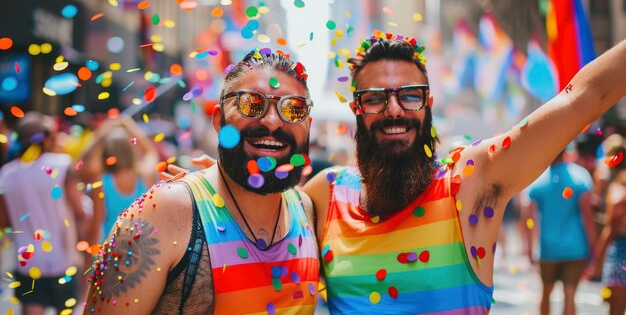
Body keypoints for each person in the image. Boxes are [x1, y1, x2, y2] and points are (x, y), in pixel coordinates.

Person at [167, 33, 626, 314]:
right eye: (375, 98)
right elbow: (264, 213)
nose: (392, 110)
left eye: (409, 96)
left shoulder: (470, 181)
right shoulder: (326, 196)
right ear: (357, 109)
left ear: (427, 105)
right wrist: (216, 184)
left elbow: (579, 98)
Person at [84, 49, 319, 314]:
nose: (273, 121)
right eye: (251, 103)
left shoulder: (307, 211)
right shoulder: (162, 213)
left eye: (294, 109)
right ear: (218, 119)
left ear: (308, 125)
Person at [0, 111, 88, 314]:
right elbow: (81, 212)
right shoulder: (63, 165)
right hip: (64, 260)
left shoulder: (6, 174)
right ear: (47, 137)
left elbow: (3, 222)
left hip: (28, 261)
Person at [521, 150, 596, 315]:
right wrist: (593, 248)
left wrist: (528, 248)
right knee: (570, 295)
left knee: (546, 292)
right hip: (576, 247)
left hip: (547, 248)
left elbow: (528, 219)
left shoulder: (537, 180)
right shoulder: (580, 176)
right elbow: (587, 216)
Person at [77, 116, 158, 244]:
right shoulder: (145, 176)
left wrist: (103, 132)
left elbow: (97, 223)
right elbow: (151, 152)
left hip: (111, 250)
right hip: (140, 248)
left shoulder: (101, 181)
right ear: (131, 150)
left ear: (107, 152)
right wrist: (128, 124)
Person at [590, 135, 626, 315]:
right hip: (618, 249)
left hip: (620, 252)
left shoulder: (618, 190)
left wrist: (596, 261)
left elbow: (611, 229)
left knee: (615, 309)